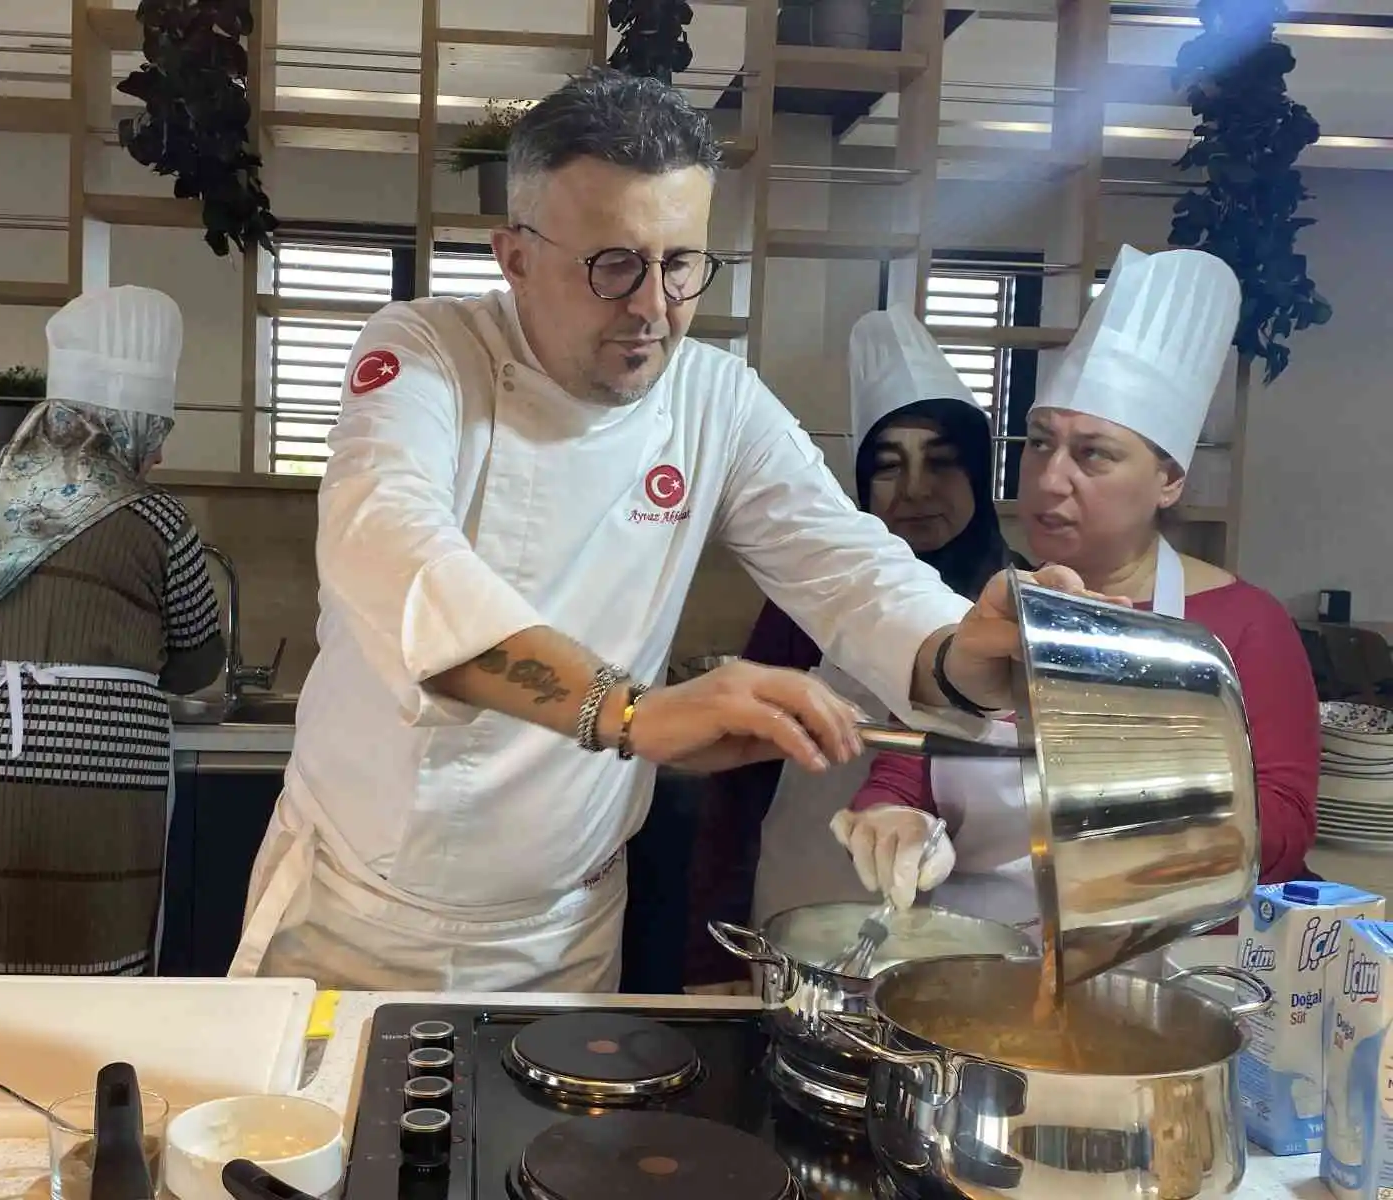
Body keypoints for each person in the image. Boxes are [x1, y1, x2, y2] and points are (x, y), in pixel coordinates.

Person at [231, 70, 1102, 993]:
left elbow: (847, 566)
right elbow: (392, 553)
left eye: (680, 262)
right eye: (612, 265)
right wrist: (635, 713)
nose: (653, 307)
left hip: (564, 935)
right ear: (514, 257)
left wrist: (958, 651)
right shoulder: (426, 351)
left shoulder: (714, 400)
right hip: (355, 921)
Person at [833, 246, 1320, 926]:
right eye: (1038, 443)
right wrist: (889, 817)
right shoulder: (992, 606)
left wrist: (1125, 813)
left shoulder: (1243, 626)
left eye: (1093, 454)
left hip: (1154, 973)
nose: (1050, 478)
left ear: (1169, 479)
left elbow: (1287, 830)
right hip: (968, 956)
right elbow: (910, 762)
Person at [0, 285, 225, 975]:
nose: (154, 458)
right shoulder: (155, 519)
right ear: (129, 427)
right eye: (155, 435)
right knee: (74, 989)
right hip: (76, 766)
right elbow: (199, 664)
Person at [732, 307, 1019, 932]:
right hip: (802, 906)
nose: (914, 489)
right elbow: (740, 780)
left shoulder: (1016, 606)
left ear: (978, 472)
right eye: (888, 465)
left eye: (941, 462)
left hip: (973, 926)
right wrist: (707, 954)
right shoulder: (804, 601)